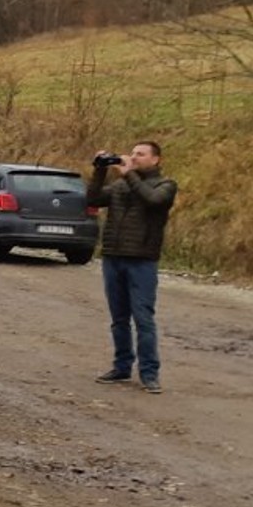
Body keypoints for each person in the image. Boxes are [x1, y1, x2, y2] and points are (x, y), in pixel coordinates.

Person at [89, 142, 178, 394]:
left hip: (142, 259)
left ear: (156, 160)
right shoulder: (119, 185)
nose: (134, 157)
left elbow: (152, 201)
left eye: (141, 154)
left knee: (143, 318)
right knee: (119, 319)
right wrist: (99, 170)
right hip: (113, 256)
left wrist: (129, 174)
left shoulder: (165, 185)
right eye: (134, 153)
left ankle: (149, 373)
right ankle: (121, 367)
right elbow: (93, 198)